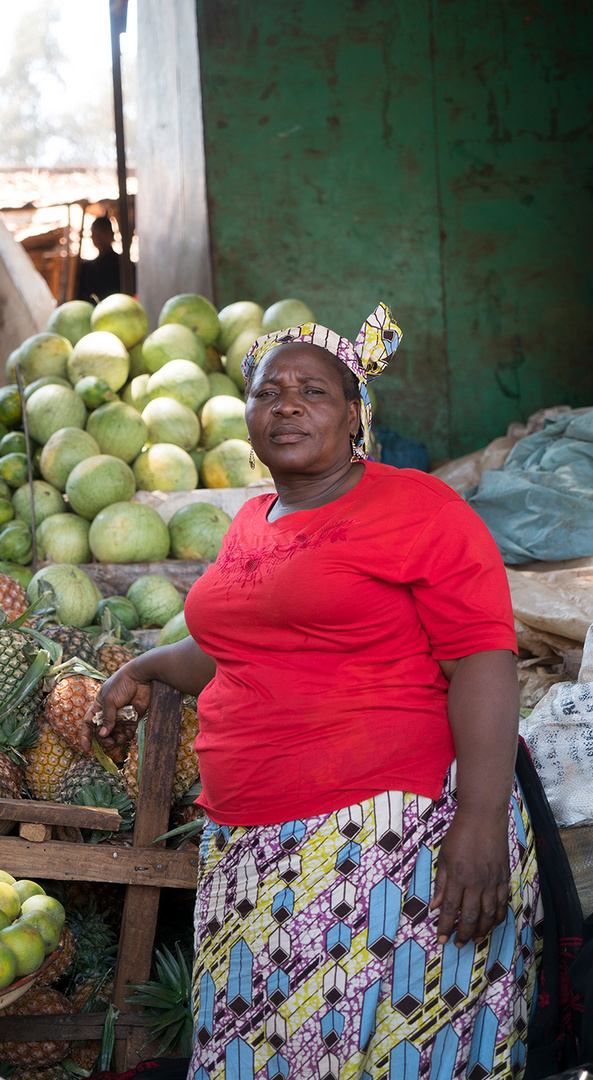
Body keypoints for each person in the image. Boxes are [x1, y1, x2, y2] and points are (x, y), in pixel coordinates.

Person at [82, 304, 542, 1080]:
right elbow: (239, 643)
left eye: (313, 392)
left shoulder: (419, 509)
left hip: (385, 839)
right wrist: (152, 665)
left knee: (376, 1055)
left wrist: (480, 819)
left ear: (356, 417)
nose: (286, 405)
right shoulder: (252, 520)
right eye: (268, 392)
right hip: (251, 845)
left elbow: (483, 657)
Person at [76, 214, 123, 305]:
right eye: (94, 233)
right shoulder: (87, 269)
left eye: (102, 232)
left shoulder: (123, 265)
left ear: (112, 234)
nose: (98, 237)